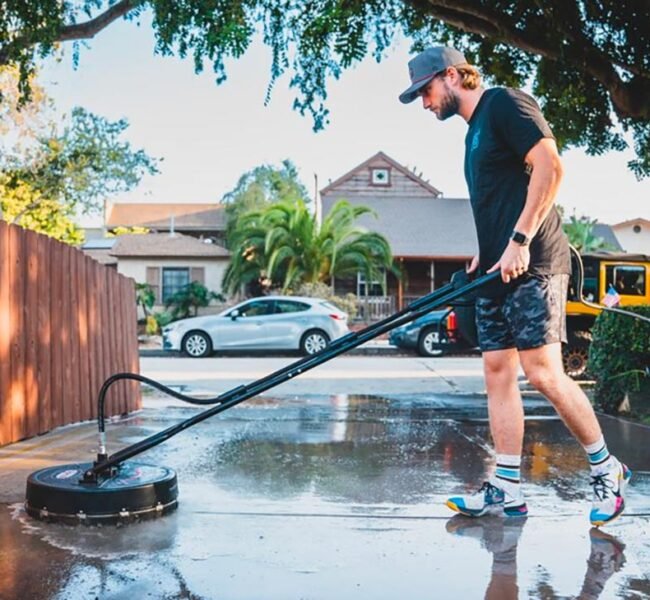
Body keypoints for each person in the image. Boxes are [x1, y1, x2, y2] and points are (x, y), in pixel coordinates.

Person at [399, 47, 631, 526]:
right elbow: (501, 197)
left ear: (450, 76)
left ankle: (608, 468)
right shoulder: (472, 135)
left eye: (425, 91)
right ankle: (505, 488)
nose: (424, 104)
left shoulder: (505, 104)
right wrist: (487, 250)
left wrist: (520, 240)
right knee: (496, 372)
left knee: (543, 372)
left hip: (536, 259)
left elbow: (551, 167)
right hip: (498, 267)